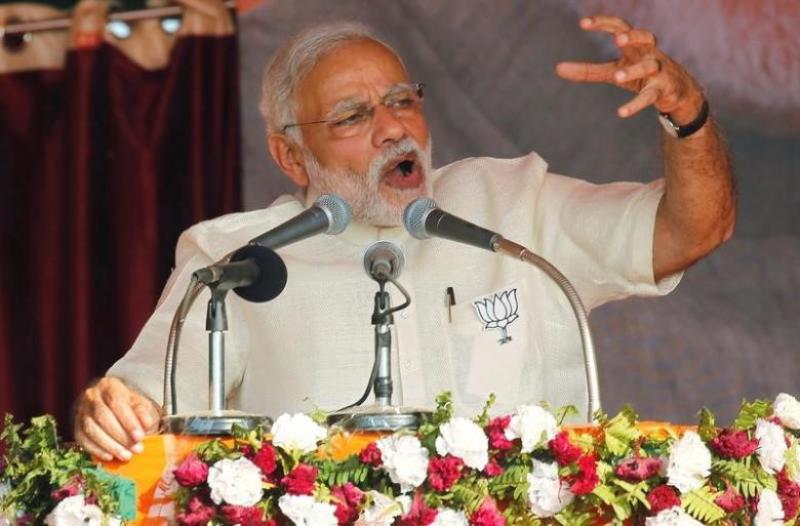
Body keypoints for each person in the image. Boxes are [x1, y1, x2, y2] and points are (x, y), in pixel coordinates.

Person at [74, 16, 735, 461]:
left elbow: (693, 228)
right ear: (292, 156)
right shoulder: (237, 260)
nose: (393, 128)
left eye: (401, 100)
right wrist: (111, 408)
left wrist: (688, 114)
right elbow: (141, 403)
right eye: (355, 116)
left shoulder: (511, 205)